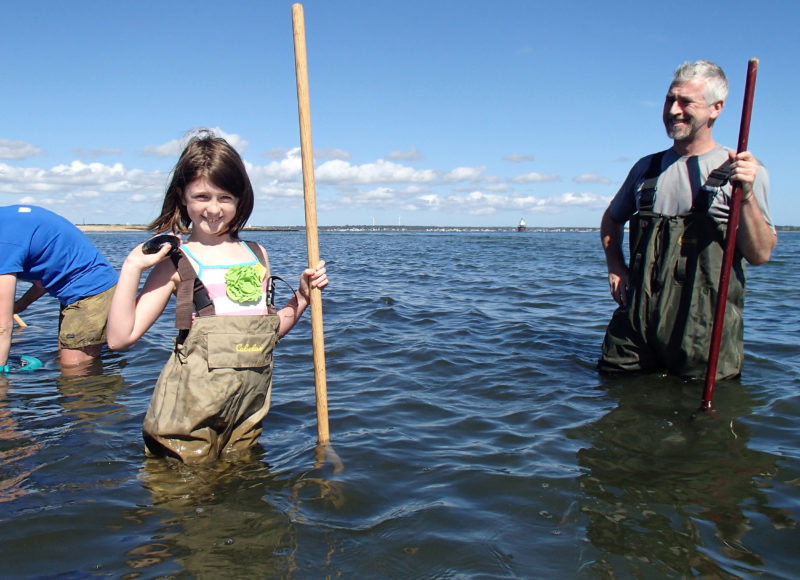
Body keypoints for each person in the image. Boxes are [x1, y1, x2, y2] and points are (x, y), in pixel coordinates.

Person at [107, 131, 328, 464]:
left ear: (240, 198)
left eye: (224, 197)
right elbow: (120, 338)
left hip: (245, 423)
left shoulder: (257, 255)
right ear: (182, 196)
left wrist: (301, 297)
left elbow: (263, 335)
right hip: (184, 427)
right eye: (201, 196)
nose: (213, 209)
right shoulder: (177, 259)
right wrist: (132, 265)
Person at [598, 60, 777, 380]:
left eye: (686, 102)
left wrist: (746, 195)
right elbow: (611, 220)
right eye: (670, 99)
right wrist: (616, 265)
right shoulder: (646, 169)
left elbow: (760, 254)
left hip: (702, 332)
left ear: (716, 108)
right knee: (617, 408)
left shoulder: (742, 170)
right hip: (636, 327)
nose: (674, 110)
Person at [0, 205, 118, 370]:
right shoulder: (9, 221)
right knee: (65, 359)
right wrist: (21, 305)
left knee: (73, 370)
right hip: (76, 290)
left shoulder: (4, 242)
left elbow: (3, 326)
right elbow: (47, 272)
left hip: (92, 291)